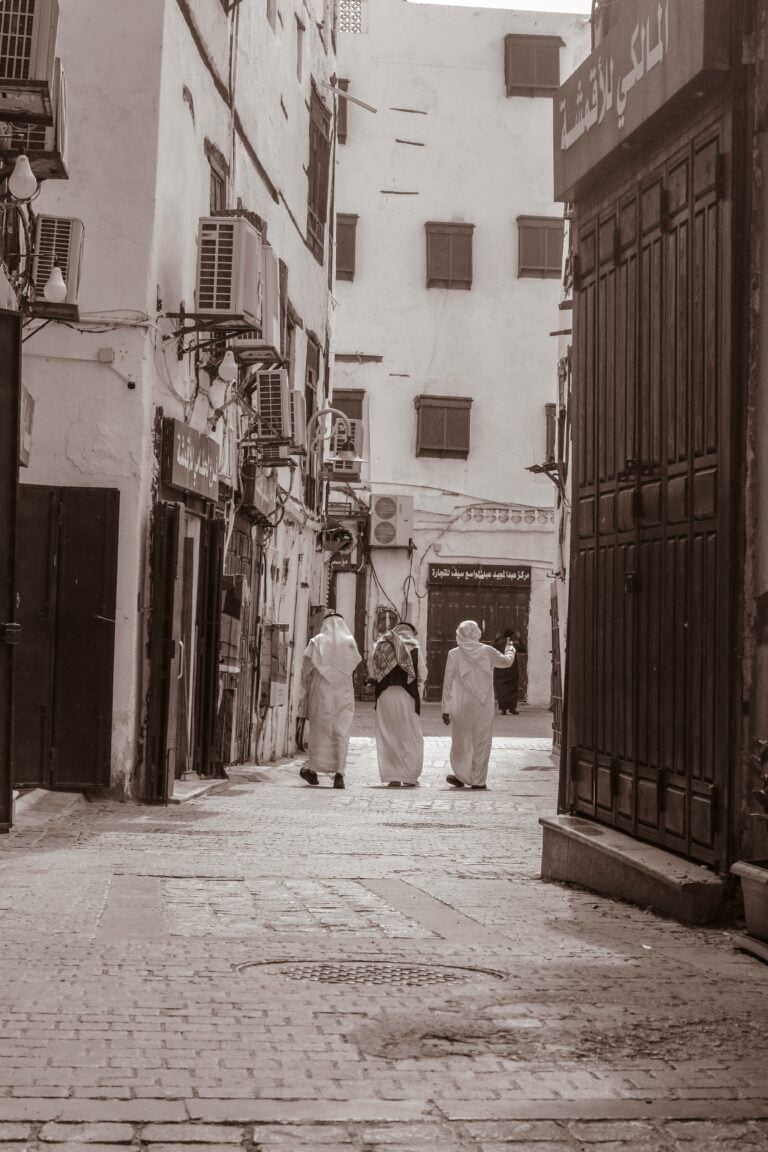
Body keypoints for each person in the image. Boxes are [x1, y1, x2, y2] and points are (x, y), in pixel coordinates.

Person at [441, 620, 514, 790]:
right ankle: (478, 780)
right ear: (477, 634)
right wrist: (511, 649)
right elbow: (506, 662)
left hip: (461, 703)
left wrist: (446, 709)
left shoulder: (454, 653)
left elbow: (447, 683)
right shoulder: (487, 651)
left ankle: (461, 774)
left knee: (461, 740)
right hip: (483, 703)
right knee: (482, 740)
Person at [297, 611, 362, 789]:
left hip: (322, 690)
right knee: (341, 731)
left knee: (319, 729)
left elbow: (306, 668)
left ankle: (313, 769)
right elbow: (355, 662)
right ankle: (339, 773)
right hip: (344, 691)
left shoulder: (317, 641)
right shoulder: (349, 642)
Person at [368, 621, 427, 787]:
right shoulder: (414, 647)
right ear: (410, 633)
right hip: (407, 696)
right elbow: (423, 673)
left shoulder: (380, 645)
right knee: (410, 736)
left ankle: (392, 775)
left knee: (388, 735)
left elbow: (372, 672)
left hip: (384, 696)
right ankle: (409, 775)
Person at [493, 627, 522, 715]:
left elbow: (492, 650)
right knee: (512, 689)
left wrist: (496, 639)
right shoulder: (513, 644)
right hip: (512, 670)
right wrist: (520, 639)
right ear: (512, 635)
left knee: (501, 690)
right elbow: (523, 649)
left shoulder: (498, 643)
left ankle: (503, 709)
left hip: (500, 670)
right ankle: (512, 708)